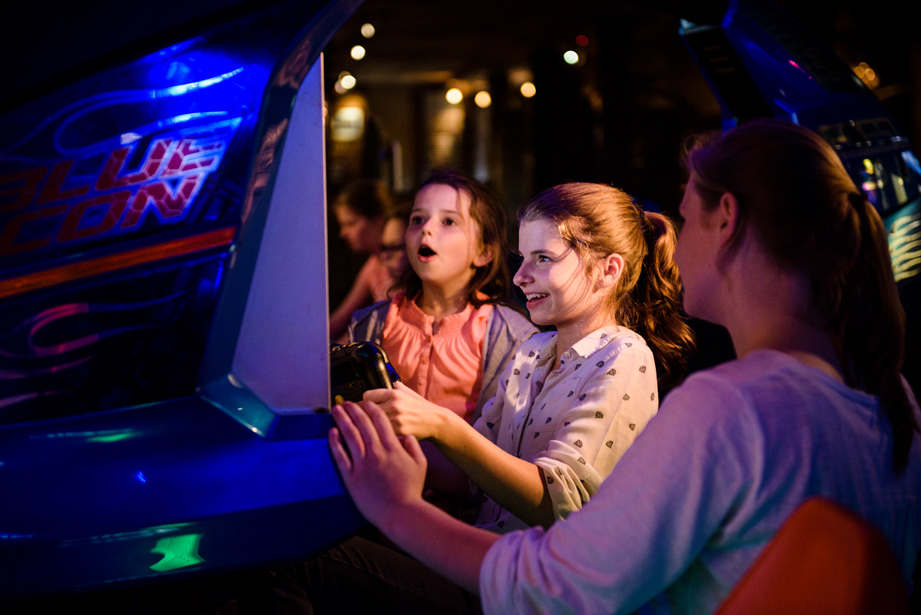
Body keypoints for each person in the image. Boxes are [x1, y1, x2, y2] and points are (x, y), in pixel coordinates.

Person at [328, 118, 921, 614]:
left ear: (726, 219)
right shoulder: (892, 397)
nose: (672, 241)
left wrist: (398, 508)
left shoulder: (733, 406)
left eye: (685, 217)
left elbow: (556, 585)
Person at [364, 181, 695, 535]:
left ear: (608, 271)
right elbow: (474, 478)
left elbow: (560, 505)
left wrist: (442, 425)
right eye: (522, 259)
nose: (521, 277)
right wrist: (378, 437)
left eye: (543, 258)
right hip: (489, 551)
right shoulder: (531, 352)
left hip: (532, 568)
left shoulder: (623, 355)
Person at [349, 169, 537, 424]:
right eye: (417, 219)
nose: (426, 229)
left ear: (483, 252)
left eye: (448, 222)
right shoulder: (370, 324)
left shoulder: (513, 338)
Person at [329, 179, 400, 343]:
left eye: (351, 223)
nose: (343, 233)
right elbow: (340, 320)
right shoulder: (374, 263)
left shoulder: (399, 265)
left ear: (378, 220)